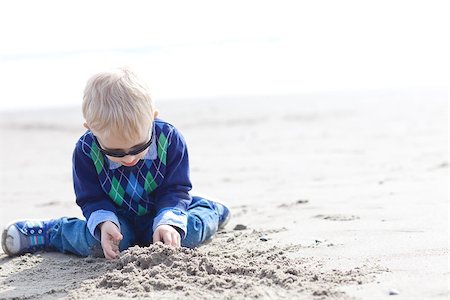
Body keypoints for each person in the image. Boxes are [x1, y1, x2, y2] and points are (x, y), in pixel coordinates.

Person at [1, 67, 230, 259]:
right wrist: (104, 224)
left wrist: (169, 222)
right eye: (115, 152)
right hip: (118, 219)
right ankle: (52, 232)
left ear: (153, 118)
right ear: (91, 129)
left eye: (139, 148)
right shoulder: (85, 150)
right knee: (100, 245)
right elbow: (91, 197)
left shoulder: (169, 139)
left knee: (186, 236)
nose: (129, 158)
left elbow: (175, 188)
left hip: (161, 210)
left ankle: (209, 210)